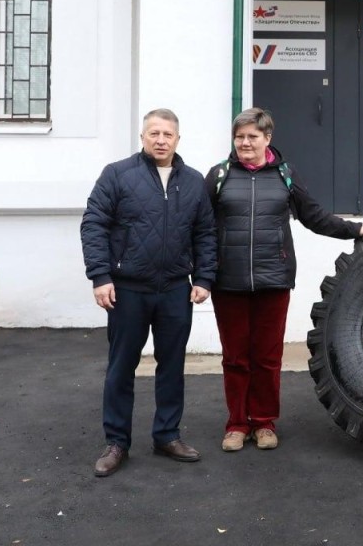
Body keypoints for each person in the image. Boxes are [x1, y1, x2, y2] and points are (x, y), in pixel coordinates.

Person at [204, 108, 363, 452]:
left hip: (274, 280)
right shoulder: (219, 175)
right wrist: (202, 273)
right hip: (228, 282)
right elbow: (200, 225)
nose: (245, 143)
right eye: (239, 137)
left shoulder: (285, 174)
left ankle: (265, 422)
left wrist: (354, 229)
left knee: (267, 358)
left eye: (252, 136)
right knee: (235, 357)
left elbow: (313, 216)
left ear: (268, 138)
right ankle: (237, 424)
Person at [81, 108, 217, 478]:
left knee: (171, 366)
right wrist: (100, 276)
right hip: (127, 290)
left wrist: (204, 278)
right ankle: (116, 443)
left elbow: (205, 232)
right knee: (121, 367)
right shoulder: (117, 175)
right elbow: (93, 223)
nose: (160, 140)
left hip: (175, 289)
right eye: (153, 133)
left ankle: (167, 435)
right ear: (142, 137)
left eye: (167, 134)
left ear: (177, 139)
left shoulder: (192, 182)